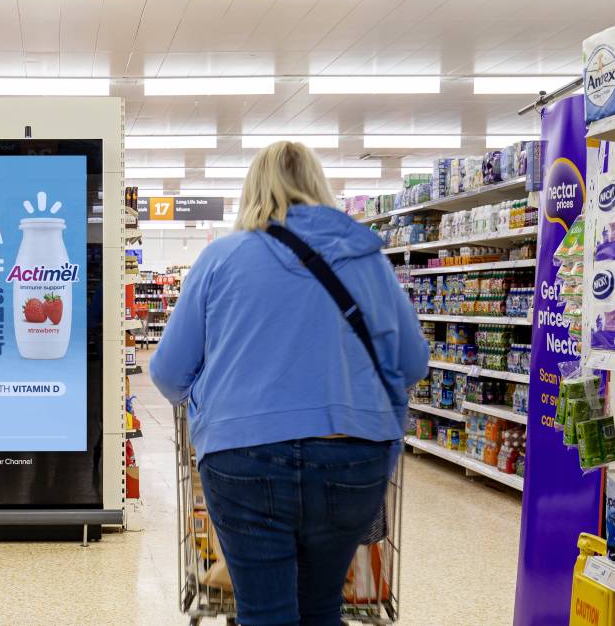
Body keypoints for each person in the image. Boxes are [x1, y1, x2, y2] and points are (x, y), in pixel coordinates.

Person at [150, 141, 428, 626]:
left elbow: (169, 372)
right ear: (320, 186)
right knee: (321, 607)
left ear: (251, 190)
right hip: (352, 457)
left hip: (242, 459)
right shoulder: (368, 259)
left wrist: (210, 399)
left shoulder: (220, 259)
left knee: (264, 612)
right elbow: (413, 363)